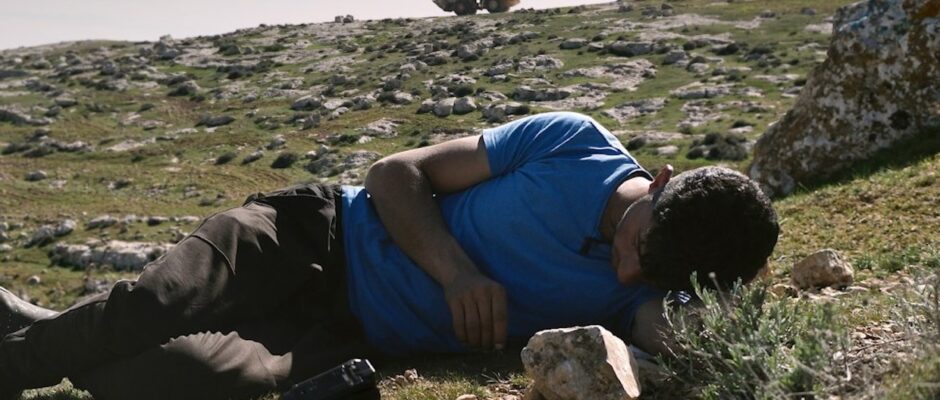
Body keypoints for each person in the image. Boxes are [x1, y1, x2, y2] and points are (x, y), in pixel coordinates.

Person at [0, 112, 779, 399]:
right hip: (315, 234)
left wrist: (737, 284)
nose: (630, 274)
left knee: (175, 378)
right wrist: (458, 272)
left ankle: (49, 325)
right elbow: (394, 174)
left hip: (346, 335)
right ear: (661, 179)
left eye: (658, 275)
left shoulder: (639, 296)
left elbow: (690, 341)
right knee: (157, 304)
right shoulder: (572, 143)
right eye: (640, 244)